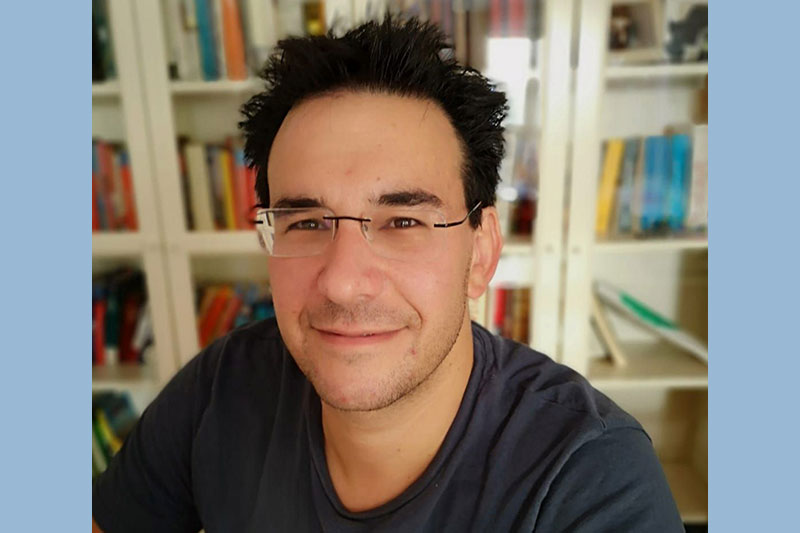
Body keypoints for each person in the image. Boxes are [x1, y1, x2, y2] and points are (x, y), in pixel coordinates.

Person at [92, 16, 683, 532]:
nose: (343, 282)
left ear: (481, 253)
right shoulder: (223, 388)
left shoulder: (590, 478)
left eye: (403, 222)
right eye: (306, 223)